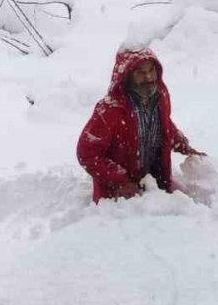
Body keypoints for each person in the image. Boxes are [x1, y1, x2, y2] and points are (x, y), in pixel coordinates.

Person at [77, 47, 204, 201]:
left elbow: (164, 125)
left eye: (152, 70)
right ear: (127, 75)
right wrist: (121, 181)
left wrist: (184, 146)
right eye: (140, 73)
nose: (149, 77)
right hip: (118, 202)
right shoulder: (109, 110)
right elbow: (87, 153)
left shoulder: (160, 96)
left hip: (156, 188)